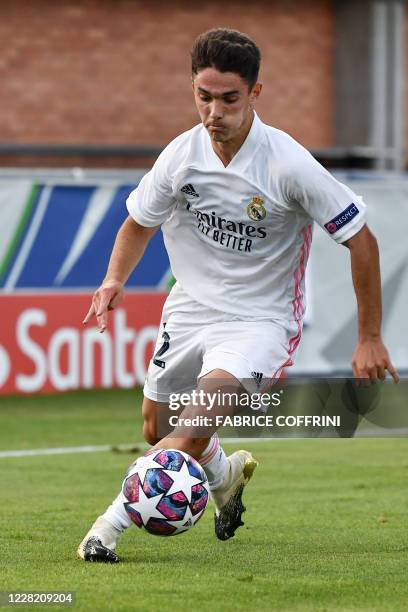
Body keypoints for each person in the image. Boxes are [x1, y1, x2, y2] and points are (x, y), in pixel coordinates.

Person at [77, 28, 399, 562]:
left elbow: (361, 240)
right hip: (189, 307)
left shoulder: (287, 164)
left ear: (255, 94)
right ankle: (225, 475)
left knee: (193, 424)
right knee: (157, 426)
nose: (213, 111)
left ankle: (103, 533)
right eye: (203, 97)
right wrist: (114, 280)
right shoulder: (181, 156)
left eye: (229, 99)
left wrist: (368, 336)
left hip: (260, 321)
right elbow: (138, 222)